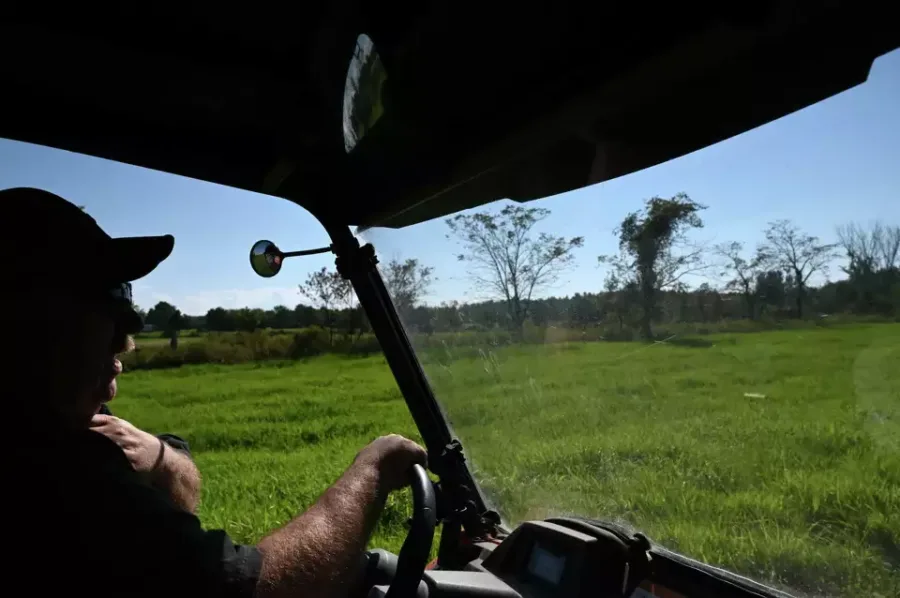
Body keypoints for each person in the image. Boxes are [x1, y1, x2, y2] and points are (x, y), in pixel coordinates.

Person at [5, 187, 427, 598]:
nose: (116, 370)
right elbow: (264, 586)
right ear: (31, 330)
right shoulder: (62, 471)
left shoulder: (70, 444)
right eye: (104, 338)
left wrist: (158, 455)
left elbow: (182, 504)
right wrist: (372, 472)